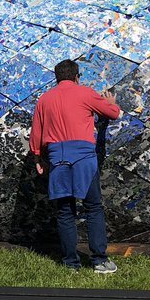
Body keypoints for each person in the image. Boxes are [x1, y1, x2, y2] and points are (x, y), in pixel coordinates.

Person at [29, 59, 122, 273]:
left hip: (57, 158)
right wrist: (112, 103)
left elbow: (37, 132)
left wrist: (37, 157)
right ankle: (99, 261)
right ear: (77, 76)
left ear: (57, 77)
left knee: (64, 211)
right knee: (93, 207)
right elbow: (113, 114)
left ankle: (71, 263)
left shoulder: (44, 99)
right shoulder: (85, 93)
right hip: (83, 158)